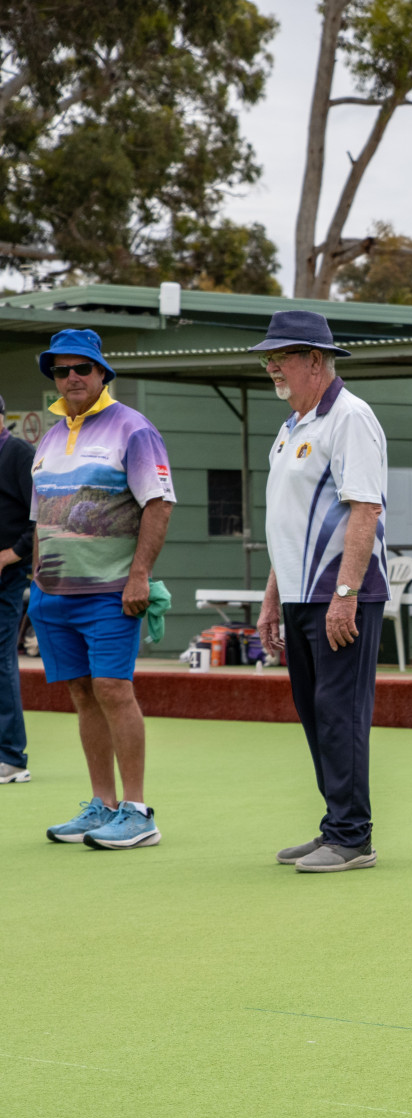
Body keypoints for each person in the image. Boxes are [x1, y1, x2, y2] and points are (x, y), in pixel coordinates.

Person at [252, 312, 391, 873]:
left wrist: (346, 592)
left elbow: (365, 509)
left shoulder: (350, 418)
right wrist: (269, 600)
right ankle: (336, 824)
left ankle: (354, 837)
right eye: (269, 358)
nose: (271, 367)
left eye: (280, 357)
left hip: (341, 593)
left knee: (340, 712)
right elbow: (285, 523)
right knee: (315, 712)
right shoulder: (290, 428)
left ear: (314, 360)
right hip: (299, 596)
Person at [27, 331, 176, 848]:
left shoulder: (133, 429)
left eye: (83, 369)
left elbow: (158, 504)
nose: (72, 378)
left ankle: (138, 811)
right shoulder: (48, 438)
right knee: (82, 693)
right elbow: (39, 519)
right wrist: (36, 583)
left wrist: (139, 576)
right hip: (52, 595)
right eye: (62, 370)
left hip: (111, 591)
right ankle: (102, 805)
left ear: (102, 374)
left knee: (114, 690)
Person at [1, 395, 36, 785]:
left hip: (8, 578)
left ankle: (11, 758)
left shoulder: (18, 453)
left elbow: (41, 516)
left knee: (2, 660)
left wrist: (10, 555)